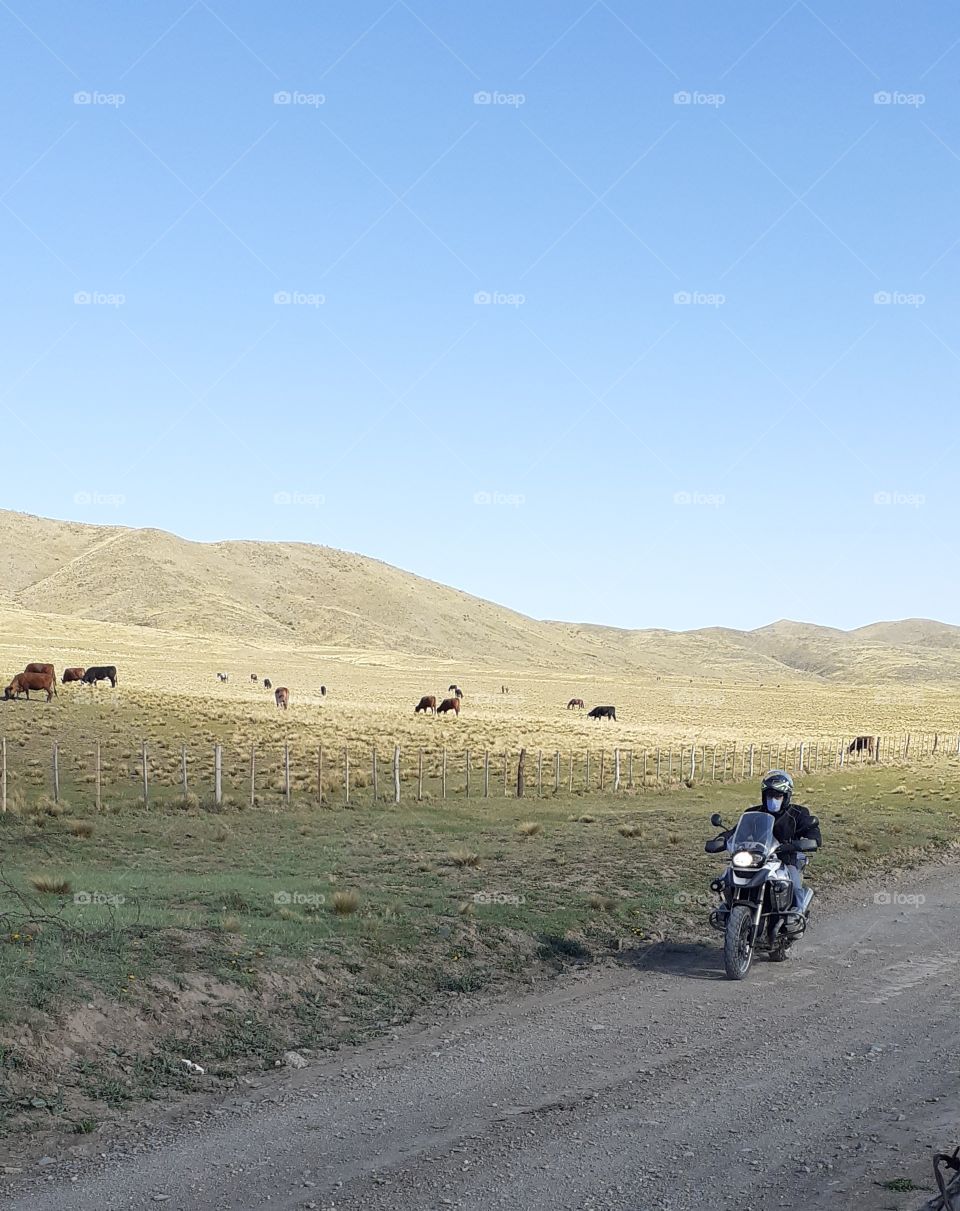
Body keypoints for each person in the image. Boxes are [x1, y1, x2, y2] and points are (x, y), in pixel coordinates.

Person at [746, 769, 821, 910]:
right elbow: (738, 831)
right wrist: (722, 839)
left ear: (786, 796)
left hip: (787, 858)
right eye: (769, 795)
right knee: (728, 877)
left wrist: (807, 841)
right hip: (757, 858)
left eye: (778, 796)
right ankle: (728, 908)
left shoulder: (798, 813)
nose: (773, 799)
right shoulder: (753, 813)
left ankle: (796, 913)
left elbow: (813, 833)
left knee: (793, 883)